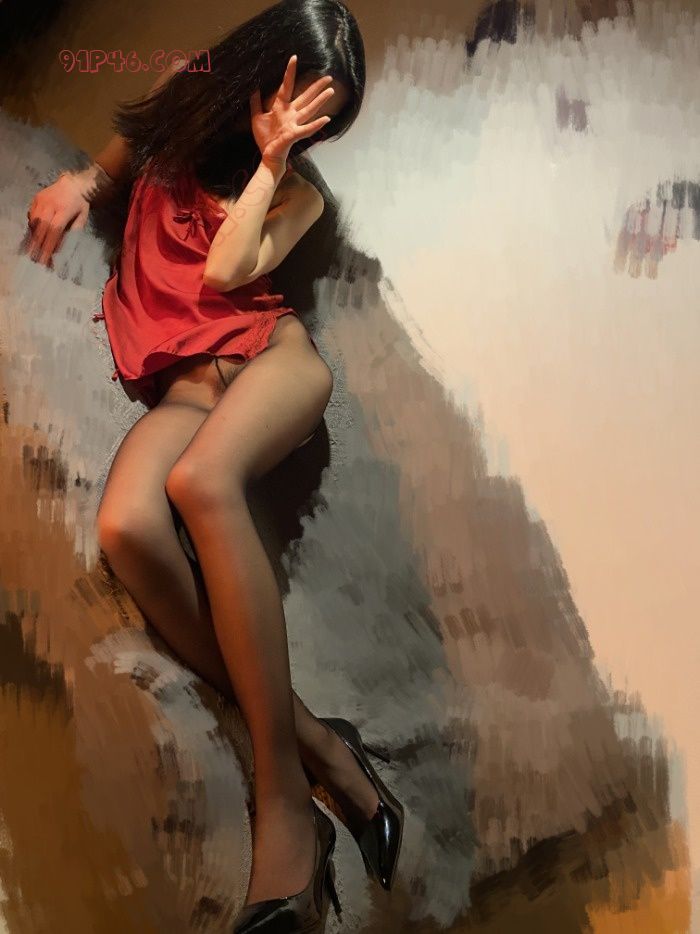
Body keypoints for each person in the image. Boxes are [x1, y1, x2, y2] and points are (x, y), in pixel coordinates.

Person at [26, 2, 403, 931]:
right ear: (265, 66)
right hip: (187, 390)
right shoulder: (185, 93)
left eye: (323, 125)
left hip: (272, 364)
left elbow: (229, 274)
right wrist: (79, 183)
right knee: (126, 525)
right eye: (299, 105)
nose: (305, 131)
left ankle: (286, 810)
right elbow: (124, 152)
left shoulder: (298, 193)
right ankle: (322, 744)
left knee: (199, 483)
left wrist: (273, 162)